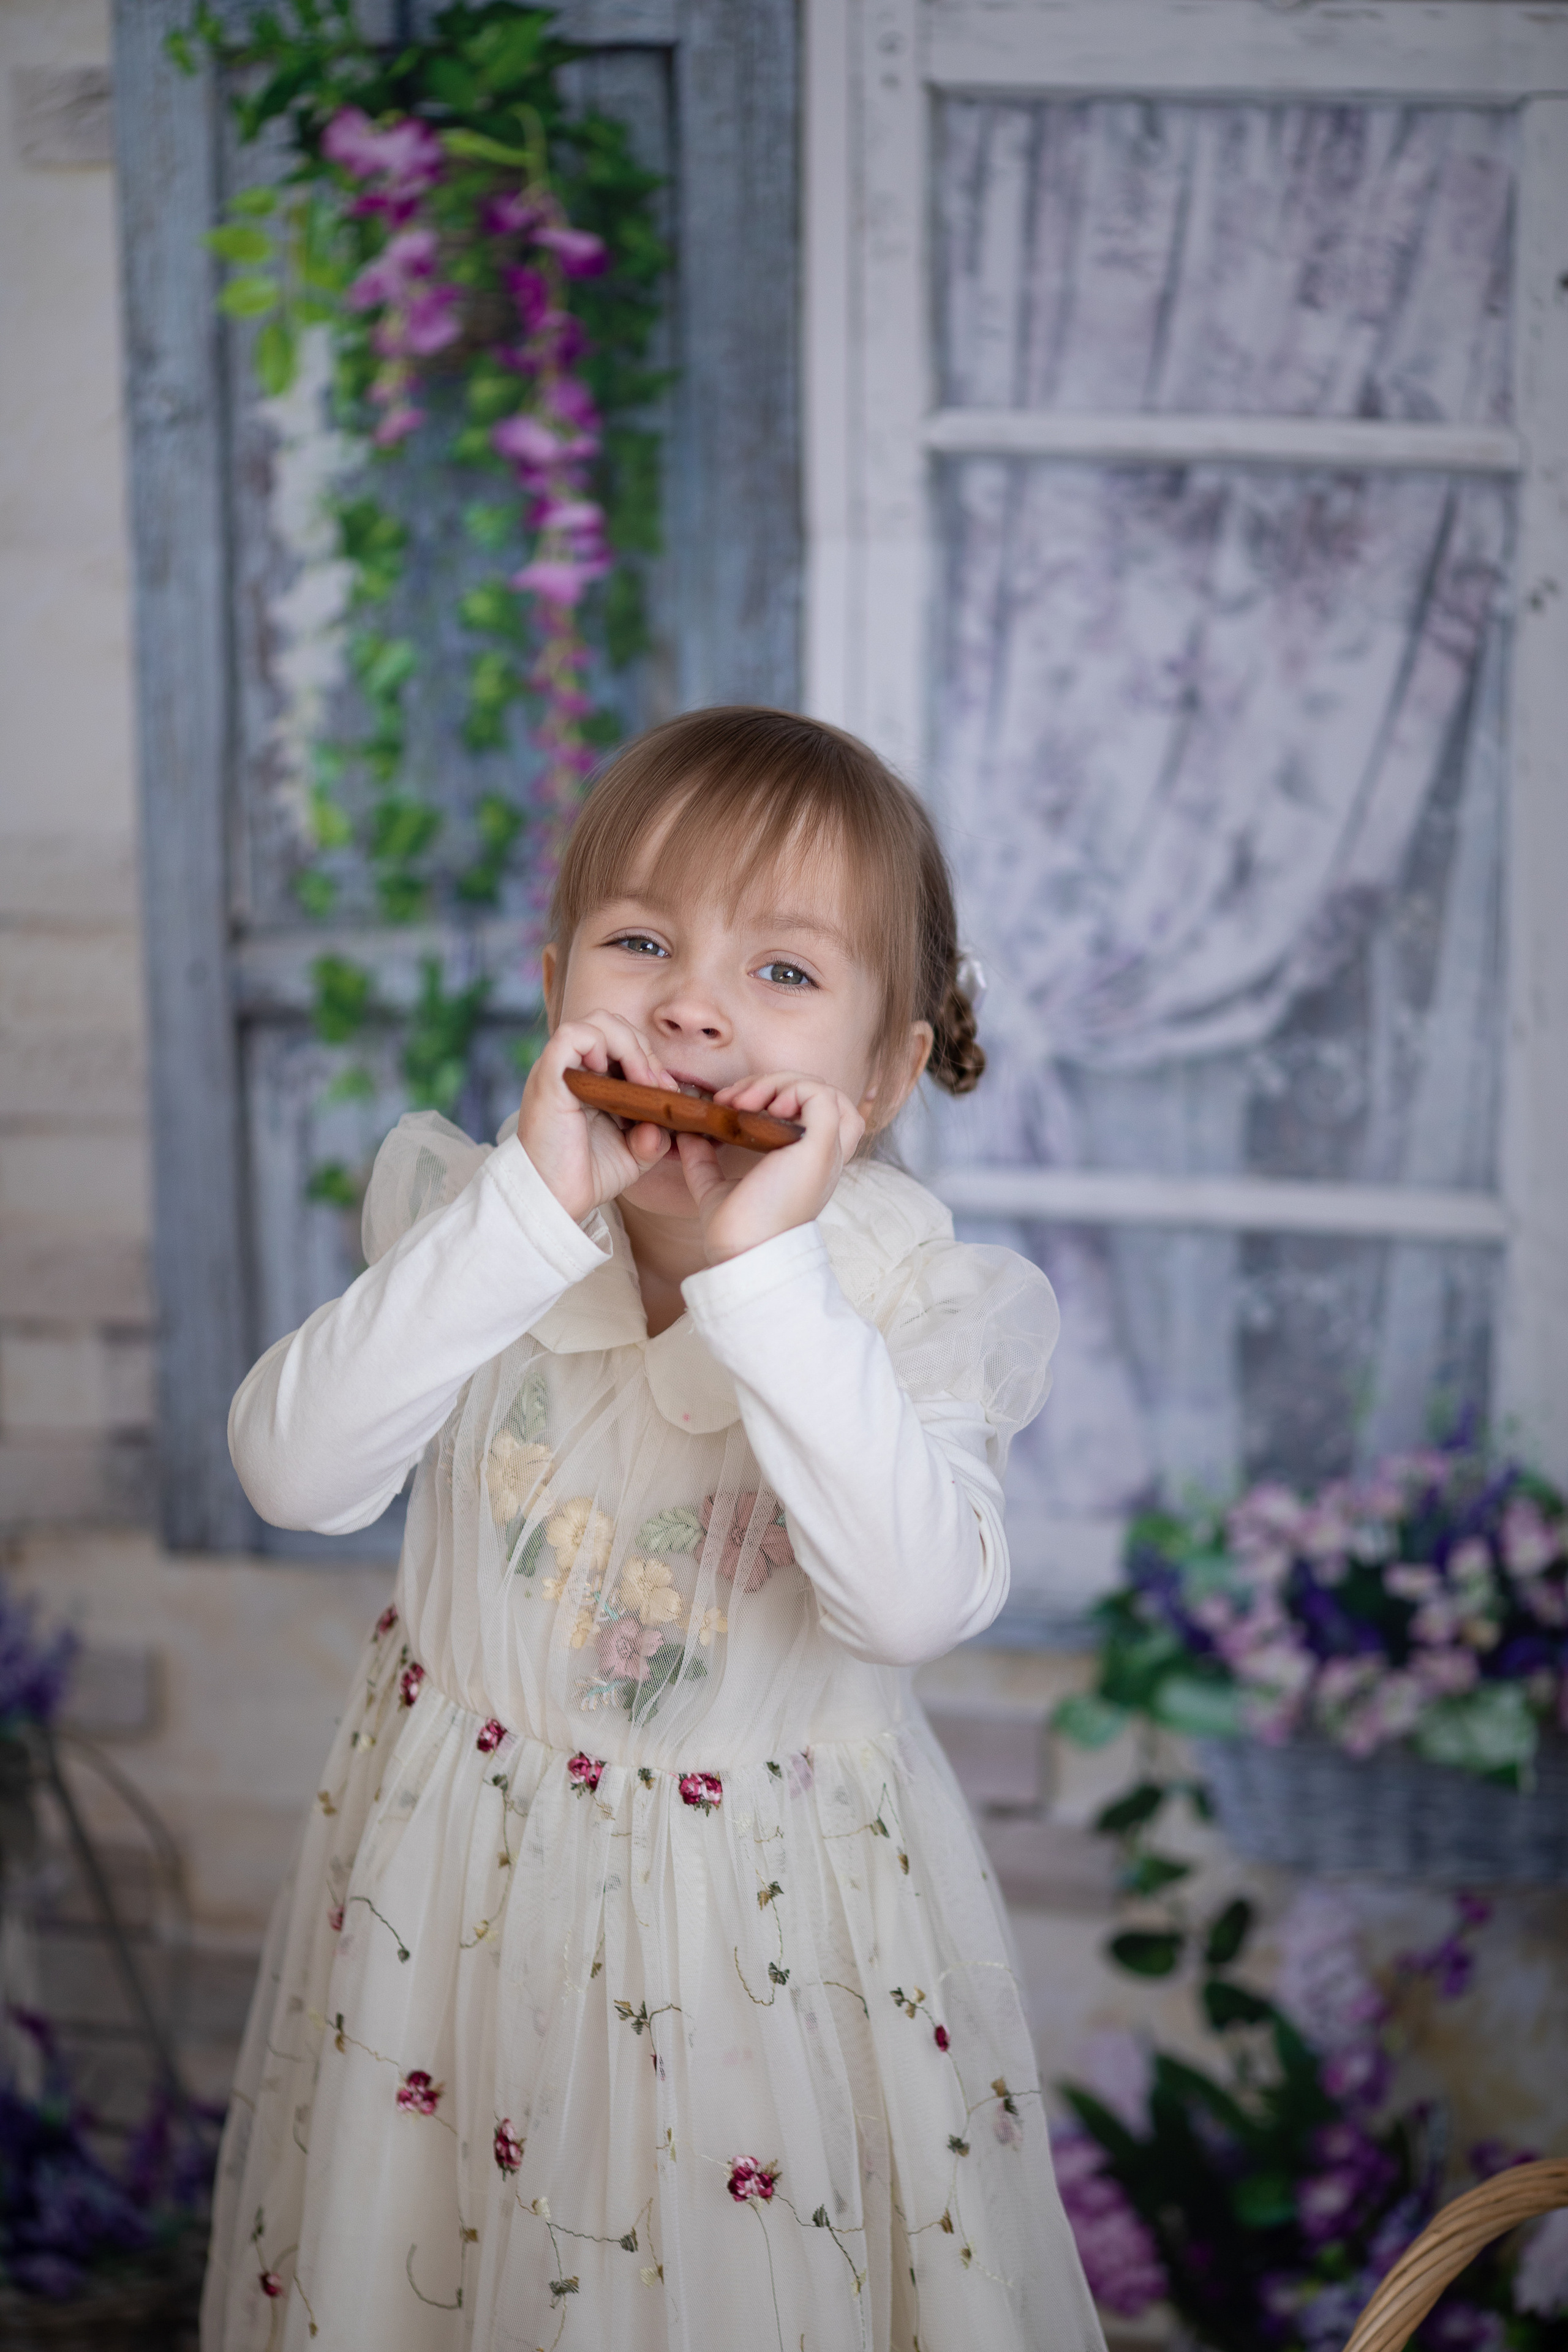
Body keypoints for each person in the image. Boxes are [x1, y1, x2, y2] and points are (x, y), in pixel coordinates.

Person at [202, 707, 1104, 2352]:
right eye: (642, 944)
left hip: (756, 1968)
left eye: (784, 971)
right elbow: (294, 1473)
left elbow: (912, 1603)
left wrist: (767, 1276)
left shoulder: (907, 1303)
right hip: (449, 1924)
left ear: (886, 1074)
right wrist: (522, 1216)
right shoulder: (477, 1228)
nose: (692, 1004)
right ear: (560, 989)